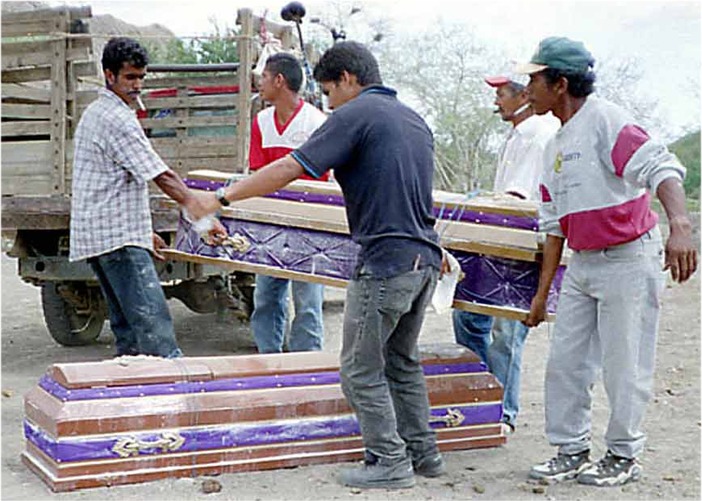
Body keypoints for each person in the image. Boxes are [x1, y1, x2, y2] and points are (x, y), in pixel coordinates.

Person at [197, 41, 447, 490]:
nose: (328, 103)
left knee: (358, 369)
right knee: (401, 361)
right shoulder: (414, 120)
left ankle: (390, 462)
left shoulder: (354, 115)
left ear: (348, 79)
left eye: (330, 91)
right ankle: (424, 454)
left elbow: (292, 168)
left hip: (386, 262)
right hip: (425, 259)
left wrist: (221, 196)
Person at [517, 37, 697, 487]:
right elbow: (554, 226)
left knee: (625, 362)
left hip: (627, 258)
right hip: (582, 264)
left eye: (534, 79)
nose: (528, 88)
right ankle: (571, 448)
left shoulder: (606, 120)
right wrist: (542, 296)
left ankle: (622, 454)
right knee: (566, 361)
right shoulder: (553, 146)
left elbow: (661, 168)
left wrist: (679, 225)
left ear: (560, 84)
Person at [69, 37, 213, 358]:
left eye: (141, 77)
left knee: (129, 335)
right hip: (116, 241)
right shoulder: (116, 118)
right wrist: (200, 211)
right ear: (109, 75)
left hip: (104, 236)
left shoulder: (98, 112)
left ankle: (134, 398)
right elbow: (160, 175)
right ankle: (173, 399)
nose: (137, 85)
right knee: (156, 336)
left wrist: (142, 233)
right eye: (130, 77)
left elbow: (111, 183)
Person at [452, 74, 559, 434]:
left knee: (506, 329)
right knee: (469, 316)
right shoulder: (517, 136)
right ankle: (479, 397)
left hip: (521, 242)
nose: (497, 101)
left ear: (523, 96)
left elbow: (517, 198)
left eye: (501, 94)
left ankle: (502, 412)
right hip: (502, 238)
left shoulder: (537, 136)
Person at [247, 53, 328, 354]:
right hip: (270, 226)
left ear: (279, 80)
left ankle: (306, 365)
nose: (260, 83)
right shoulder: (261, 122)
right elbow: (257, 173)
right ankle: (268, 361)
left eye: (264, 77)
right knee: (266, 297)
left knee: (308, 302)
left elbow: (320, 180)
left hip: (307, 226)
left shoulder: (316, 123)